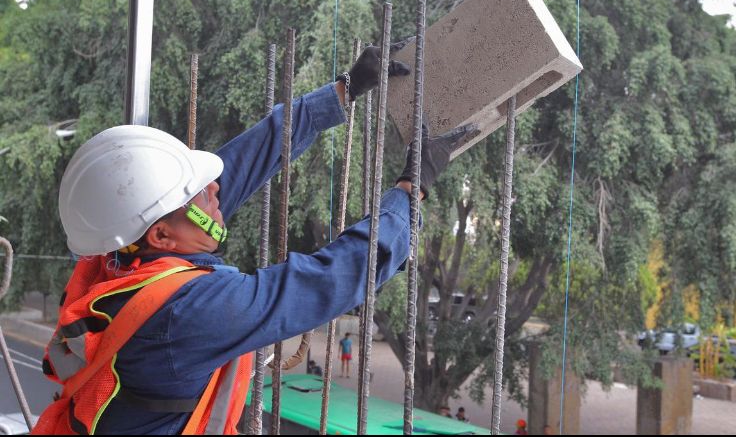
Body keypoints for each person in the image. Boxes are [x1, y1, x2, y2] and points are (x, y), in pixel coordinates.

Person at [32, 41, 477, 435]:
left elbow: (236, 166)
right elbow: (328, 280)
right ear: (163, 234)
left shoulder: (117, 256)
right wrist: (409, 192)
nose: (214, 190)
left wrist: (344, 90)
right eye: (198, 194)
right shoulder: (186, 312)